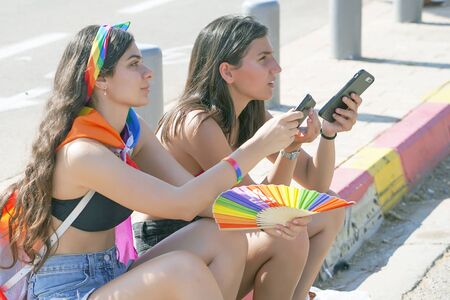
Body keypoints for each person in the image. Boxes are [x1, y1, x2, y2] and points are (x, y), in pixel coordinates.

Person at [0, 22, 305, 300]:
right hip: (68, 290)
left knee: (225, 235)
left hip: (114, 273)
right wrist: (257, 146)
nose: (148, 72)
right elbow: (181, 203)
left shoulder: (131, 132)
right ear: (102, 79)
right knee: (182, 268)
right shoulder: (82, 153)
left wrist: (263, 216)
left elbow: (197, 197)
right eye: (133, 65)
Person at [134, 16, 362, 300]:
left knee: (328, 209)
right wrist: (289, 149)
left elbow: (315, 184)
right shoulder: (197, 122)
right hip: (176, 244)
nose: (276, 68)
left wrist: (328, 134)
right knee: (286, 234)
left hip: (226, 234)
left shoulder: (251, 114)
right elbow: (258, 209)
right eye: (263, 58)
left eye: (273, 57)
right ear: (228, 72)